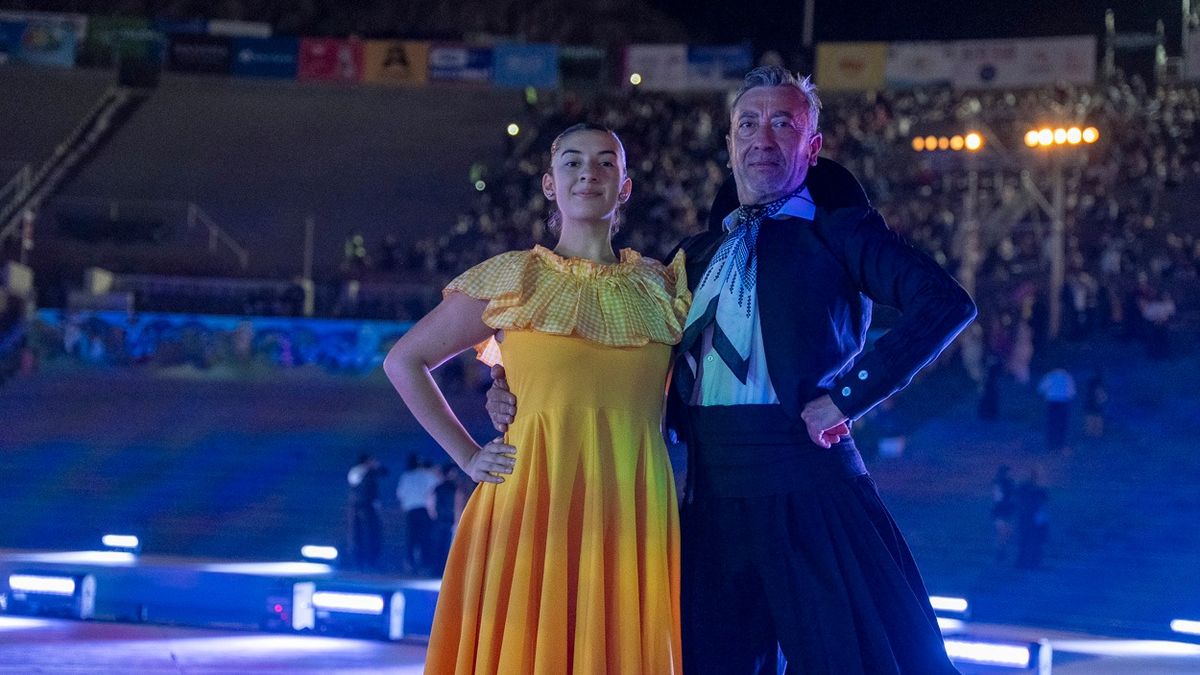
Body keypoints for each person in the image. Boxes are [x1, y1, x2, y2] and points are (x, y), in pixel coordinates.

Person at [488, 66, 974, 673]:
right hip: (709, 498)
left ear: (812, 147)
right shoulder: (692, 255)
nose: (762, 137)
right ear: (729, 142)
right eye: (748, 123)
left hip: (807, 483)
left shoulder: (840, 232)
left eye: (782, 124)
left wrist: (847, 397)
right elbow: (611, 343)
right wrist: (507, 381)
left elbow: (946, 303)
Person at [384, 123, 689, 673]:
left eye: (604, 163)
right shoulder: (514, 276)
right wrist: (468, 455)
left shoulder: (663, 286)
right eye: (572, 162)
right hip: (530, 503)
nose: (587, 173)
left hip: (629, 505)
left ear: (625, 187)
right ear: (550, 184)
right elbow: (403, 361)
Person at [395, 455, 439, 575]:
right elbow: (437, 483)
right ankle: (425, 565)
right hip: (424, 509)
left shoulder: (405, 476)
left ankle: (410, 564)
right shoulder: (426, 474)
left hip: (410, 510)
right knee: (425, 537)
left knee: (411, 537)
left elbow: (400, 493)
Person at [346, 453, 387, 572]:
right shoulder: (359, 471)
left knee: (364, 535)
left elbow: (384, 472)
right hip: (362, 507)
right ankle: (362, 563)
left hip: (363, 507)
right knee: (363, 535)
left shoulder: (367, 472)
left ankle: (365, 563)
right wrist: (373, 467)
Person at [1013, 467, 1049, 569]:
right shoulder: (1036, 490)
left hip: (1027, 518)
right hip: (1030, 518)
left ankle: (1025, 563)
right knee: (1032, 541)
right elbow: (1043, 504)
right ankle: (1031, 563)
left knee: (1026, 542)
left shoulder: (1026, 488)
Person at [1037, 367, 1076, 453]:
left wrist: (1048, 393)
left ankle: (1051, 445)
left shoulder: (1050, 375)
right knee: (1062, 424)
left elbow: (1041, 388)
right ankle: (1060, 445)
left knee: (1052, 424)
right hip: (1063, 403)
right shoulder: (1067, 377)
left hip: (1052, 402)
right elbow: (1072, 391)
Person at [990, 465, 1016, 561]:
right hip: (1001, 510)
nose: (1010, 474)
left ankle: (1001, 550)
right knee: (1002, 532)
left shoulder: (1009, 482)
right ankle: (1000, 552)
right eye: (1008, 472)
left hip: (1006, 510)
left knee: (1007, 532)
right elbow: (997, 497)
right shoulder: (999, 483)